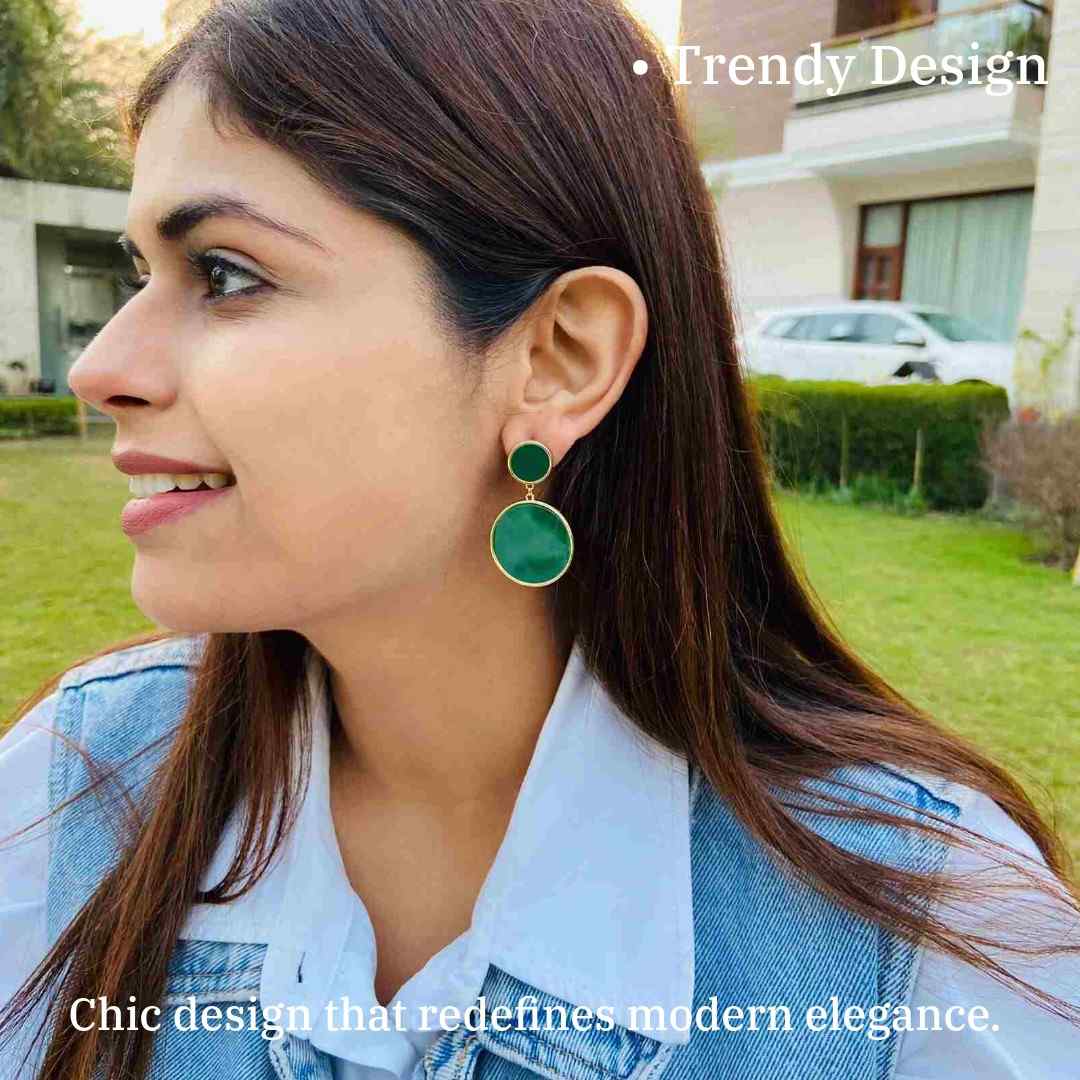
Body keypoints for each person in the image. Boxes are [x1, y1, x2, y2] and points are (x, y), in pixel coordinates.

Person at [1, 1, 1078, 1077]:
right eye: (142, 274)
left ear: (561, 358)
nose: (101, 369)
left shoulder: (926, 946)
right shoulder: (67, 796)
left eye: (226, 274)